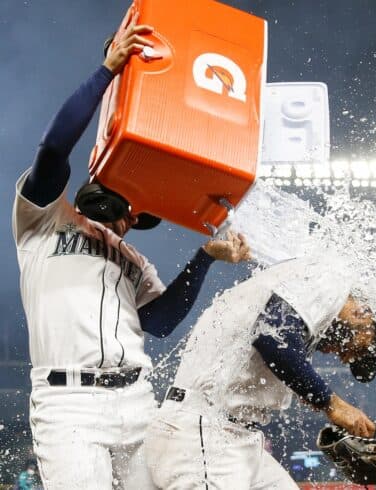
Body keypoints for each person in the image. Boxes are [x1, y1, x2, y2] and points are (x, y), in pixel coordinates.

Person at [12, 19, 250, 490]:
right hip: (69, 405)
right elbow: (54, 146)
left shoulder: (135, 262)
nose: (130, 220)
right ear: (101, 194)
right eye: (129, 208)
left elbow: (159, 322)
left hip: (136, 399)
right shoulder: (43, 220)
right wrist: (106, 73)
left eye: (137, 217)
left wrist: (205, 258)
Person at [144, 254, 376, 489]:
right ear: (364, 314)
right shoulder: (328, 276)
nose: (345, 357)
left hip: (233, 436)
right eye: (359, 350)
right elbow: (271, 339)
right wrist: (332, 404)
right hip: (205, 434)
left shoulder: (302, 293)